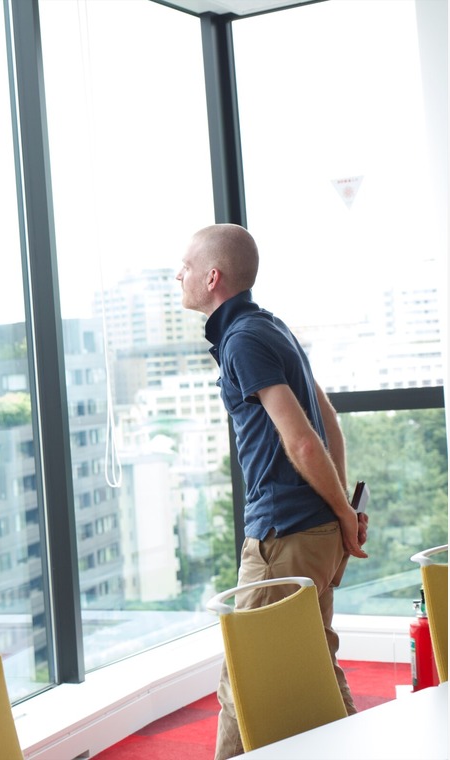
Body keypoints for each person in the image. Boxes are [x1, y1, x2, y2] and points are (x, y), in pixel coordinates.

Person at [176, 224, 369, 759]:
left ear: (213, 278)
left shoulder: (241, 340)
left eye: (187, 267)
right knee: (313, 669)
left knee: (245, 680)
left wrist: (342, 514)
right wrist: (343, 516)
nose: (179, 275)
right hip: (315, 531)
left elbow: (303, 441)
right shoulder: (269, 326)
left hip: (283, 536)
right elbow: (328, 418)